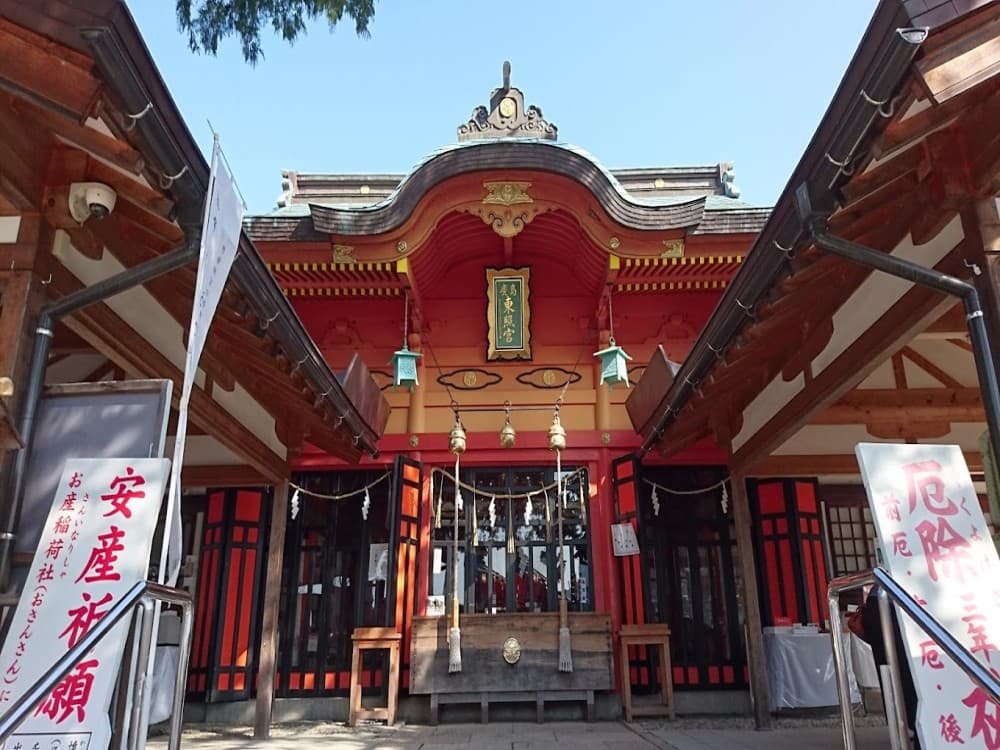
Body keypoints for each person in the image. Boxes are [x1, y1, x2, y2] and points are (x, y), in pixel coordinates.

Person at [858, 585, 920, 749]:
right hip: (893, 599)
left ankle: (907, 729)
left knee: (900, 675)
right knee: (907, 676)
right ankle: (911, 729)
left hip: (888, 599)